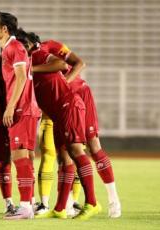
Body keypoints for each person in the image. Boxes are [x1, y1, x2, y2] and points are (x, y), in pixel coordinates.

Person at [19, 30, 101, 220]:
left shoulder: (37, 56)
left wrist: (32, 69)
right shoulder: (25, 64)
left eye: (22, 47)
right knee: (64, 160)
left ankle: (92, 203)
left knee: (77, 153)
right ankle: (60, 208)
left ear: (28, 46)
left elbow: (61, 63)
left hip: (68, 107)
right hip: (57, 115)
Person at [0, 12, 41, 220]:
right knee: (25, 157)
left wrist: (10, 107)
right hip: (26, 108)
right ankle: (28, 203)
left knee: (19, 156)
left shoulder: (14, 47)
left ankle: (25, 207)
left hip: (22, 108)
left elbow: (21, 78)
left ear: (4, 29)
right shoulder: (9, 49)